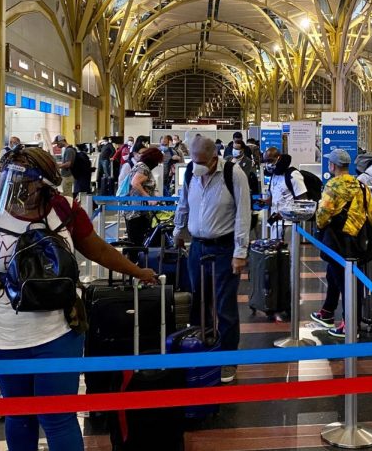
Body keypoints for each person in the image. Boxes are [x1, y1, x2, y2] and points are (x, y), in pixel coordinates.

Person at [0, 147, 156, 451]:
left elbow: (97, 249)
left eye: (22, 180)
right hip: (2, 335)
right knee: (20, 414)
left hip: (58, 330)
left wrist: (137, 271)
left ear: (41, 182)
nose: (14, 188)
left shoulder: (64, 209)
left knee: (58, 417)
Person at [173, 137, 250, 384]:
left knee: (224, 306)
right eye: (194, 161)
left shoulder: (233, 174)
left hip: (224, 248)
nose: (197, 166)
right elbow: (183, 204)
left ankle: (228, 359)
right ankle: (199, 350)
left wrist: (240, 252)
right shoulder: (191, 174)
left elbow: (243, 214)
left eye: (202, 162)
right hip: (197, 246)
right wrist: (178, 232)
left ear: (214, 158)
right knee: (197, 301)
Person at [311, 149, 372, 338]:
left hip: (338, 240)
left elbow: (323, 213)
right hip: (357, 240)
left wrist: (319, 226)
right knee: (334, 274)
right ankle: (327, 312)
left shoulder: (333, 186)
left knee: (346, 281)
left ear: (332, 165)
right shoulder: (360, 185)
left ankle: (350, 325)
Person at [262, 148, 308, 241]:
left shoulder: (293, 174)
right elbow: (274, 198)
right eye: (266, 161)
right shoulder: (274, 175)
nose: (268, 164)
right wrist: (265, 202)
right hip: (275, 222)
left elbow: (303, 201)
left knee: (289, 253)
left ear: (278, 158)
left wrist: (287, 213)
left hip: (289, 224)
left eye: (270, 160)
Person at [127, 147, 163, 246]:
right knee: (136, 244)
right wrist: (148, 198)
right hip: (137, 212)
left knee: (136, 242)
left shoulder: (140, 166)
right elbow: (135, 183)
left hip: (135, 210)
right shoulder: (143, 168)